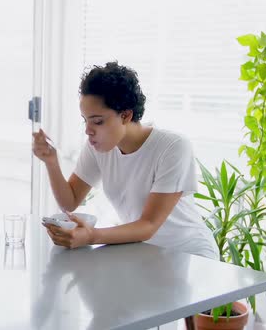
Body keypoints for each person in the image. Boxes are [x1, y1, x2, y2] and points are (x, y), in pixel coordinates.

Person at [33, 62, 219, 260]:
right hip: (145, 253)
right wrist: (51, 163)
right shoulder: (98, 147)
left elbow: (148, 225)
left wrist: (91, 236)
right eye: (85, 120)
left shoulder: (173, 147)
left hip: (190, 255)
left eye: (97, 121)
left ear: (126, 115)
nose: (88, 130)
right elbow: (69, 202)